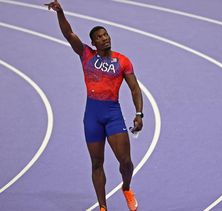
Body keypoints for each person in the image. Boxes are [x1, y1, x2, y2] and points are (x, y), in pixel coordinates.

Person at [45, 1, 143, 210]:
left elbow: (135, 88)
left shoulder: (122, 61)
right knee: (97, 163)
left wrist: (139, 113)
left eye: (106, 34)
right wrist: (60, 12)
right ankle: (102, 207)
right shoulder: (86, 55)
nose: (104, 38)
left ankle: (126, 187)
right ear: (93, 42)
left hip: (112, 114)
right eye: (99, 37)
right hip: (92, 116)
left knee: (125, 162)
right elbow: (69, 34)